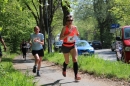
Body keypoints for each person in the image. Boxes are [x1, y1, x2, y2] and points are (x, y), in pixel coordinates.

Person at [59, 14, 81, 81]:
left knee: (74, 59)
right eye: (68, 20)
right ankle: (64, 69)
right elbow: (60, 38)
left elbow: (78, 34)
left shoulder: (75, 27)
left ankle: (76, 76)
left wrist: (76, 34)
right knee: (67, 61)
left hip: (72, 45)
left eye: (71, 20)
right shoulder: (64, 28)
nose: (70, 22)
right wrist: (68, 34)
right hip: (65, 46)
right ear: (66, 21)